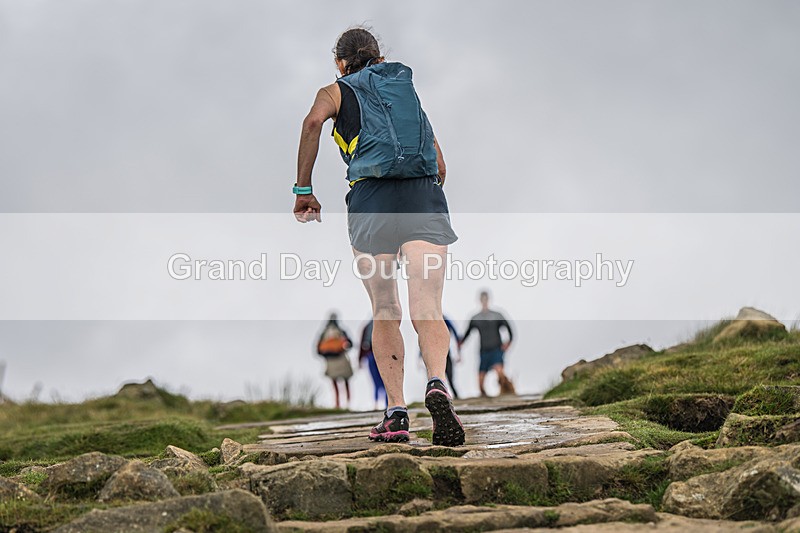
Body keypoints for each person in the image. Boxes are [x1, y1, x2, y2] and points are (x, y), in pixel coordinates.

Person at [293, 27, 464, 446]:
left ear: (340, 62)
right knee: (428, 305)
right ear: (378, 54)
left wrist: (303, 190)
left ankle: (396, 411)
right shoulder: (404, 87)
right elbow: (440, 163)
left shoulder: (335, 91)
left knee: (385, 307)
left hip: (371, 202)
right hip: (422, 197)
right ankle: (438, 382)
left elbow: (313, 121)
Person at [458, 291, 515, 397]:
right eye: (482, 299)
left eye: (486, 299)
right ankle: (484, 396)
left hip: (496, 349)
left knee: (500, 372)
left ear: (488, 299)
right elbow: (467, 333)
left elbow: (509, 328)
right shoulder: (475, 318)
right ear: (480, 300)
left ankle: (507, 392)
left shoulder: (497, 315)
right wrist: (460, 343)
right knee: (480, 382)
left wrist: (509, 342)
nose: (484, 301)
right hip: (484, 351)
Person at [418, 315, 461, 399]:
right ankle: (433, 397)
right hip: (431, 355)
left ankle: (456, 396)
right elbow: (423, 339)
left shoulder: (444, 318)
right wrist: (420, 357)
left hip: (445, 354)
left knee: (450, 378)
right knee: (432, 380)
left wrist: (459, 352)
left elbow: (456, 334)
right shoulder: (427, 319)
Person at [316, 313, 353, 409]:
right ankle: (342, 404)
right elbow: (350, 344)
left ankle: (340, 404)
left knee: (340, 382)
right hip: (338, 359)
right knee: (342, 382)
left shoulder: (324, 333)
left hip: (334, 360)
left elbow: (318, 350)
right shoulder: (340, 331)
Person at [359, 319, 388, 410]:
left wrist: (360, 359)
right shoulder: (384, 324)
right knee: (386, 381)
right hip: (382, 356)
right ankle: (388, 403)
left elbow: (362, 344)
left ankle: (377, 403)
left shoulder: (367, 327)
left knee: (377, 381)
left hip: (372, 355)